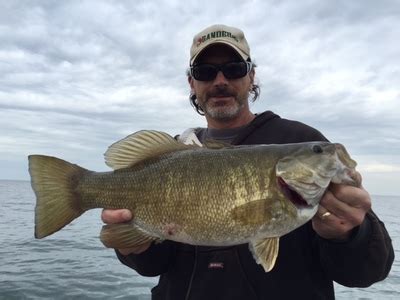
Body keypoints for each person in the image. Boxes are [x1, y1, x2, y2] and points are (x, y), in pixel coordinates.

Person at [101, 24, 394, 300]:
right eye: (205, 71)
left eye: (234, 69)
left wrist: (352, 235)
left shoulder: (300, 138)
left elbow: (368, 271)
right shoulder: (174, 153)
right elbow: (153, 265)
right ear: (192, 82)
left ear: (251, 75)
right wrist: (134, 247)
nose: (220, 81)